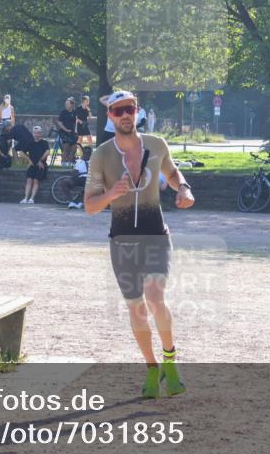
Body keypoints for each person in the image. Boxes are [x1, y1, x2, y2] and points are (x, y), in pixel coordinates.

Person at [84, 90, 195, 399]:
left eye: (128, 109)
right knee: (135, 308)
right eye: (118, 110)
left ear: (137, 111)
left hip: (155, 234)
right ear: (110, 116)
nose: (124, 115)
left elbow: (172, 172)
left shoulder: (157, 145)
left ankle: (170, 359)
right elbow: (90, 206)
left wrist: (184, 189)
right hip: (121, 240)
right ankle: (150, 367)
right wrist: (110, 194)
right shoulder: (101, 156)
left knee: (155, 297)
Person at [20, 126, 50, 204]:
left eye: (38, 133)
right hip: (32, 165)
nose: (37, 134)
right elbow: (22, 153)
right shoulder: (30, 142)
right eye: (35, 133)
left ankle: (32, 198)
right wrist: (29, 160)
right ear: (33, 133)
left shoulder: (44, 142)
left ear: (41, 134)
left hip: (41, 165)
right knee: (29, 180)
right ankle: (25, 198)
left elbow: (47, 152)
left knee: (36, 181)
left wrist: (40, 160)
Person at [56, 97, 79, 166]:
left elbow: (76, 123)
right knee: (66, 148)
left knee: (74, 148)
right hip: (64, 133)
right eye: (65, 104)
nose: (66, 105)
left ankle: (70, 162)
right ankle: (63, 163)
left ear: (71, 105)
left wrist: (76, 131)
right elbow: (59, 122)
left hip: (73, 134)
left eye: (68, 104)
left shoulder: (74, 113)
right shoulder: (63, 112)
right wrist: (66, 129)